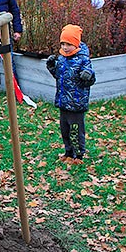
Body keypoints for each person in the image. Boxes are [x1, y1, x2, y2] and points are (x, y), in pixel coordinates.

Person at [46, 25, 96, 165]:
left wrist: (88, 76)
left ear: (76, 44)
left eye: (69, 44)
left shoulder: (83, 60)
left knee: (75, 130)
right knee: (65, 129)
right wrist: (51, 66)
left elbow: (90, 80)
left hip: (76, 103)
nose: (65, 47)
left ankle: (78, 155)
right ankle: (68, 152)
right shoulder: (62, 59)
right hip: (63, 102)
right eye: (63, 44)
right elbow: (58, 76)